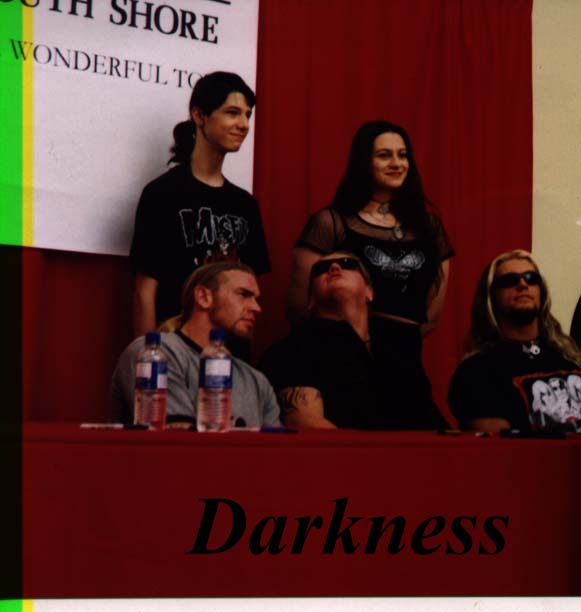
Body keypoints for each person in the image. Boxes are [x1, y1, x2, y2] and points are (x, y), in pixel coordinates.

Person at [130, 71, 270, 338]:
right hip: (175, 348)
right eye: (232, 112)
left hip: (230, 352)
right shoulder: (162, 194)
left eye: (248, 115)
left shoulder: (246, 205)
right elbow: (144, 292)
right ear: (199, 115)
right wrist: (148, 356)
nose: (244, 124)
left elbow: (252, 292)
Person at [260, 252, 448, 430]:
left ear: (369, 292)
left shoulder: (399, 348)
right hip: (344, 452)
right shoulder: (291, 349)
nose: (334, 267)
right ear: (311, 300)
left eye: (348, 264)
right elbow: (307, 424)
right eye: (321, 268)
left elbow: (430, 419)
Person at [112, 262, 280, 429]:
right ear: (203, 297)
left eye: (257, 299)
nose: (257, 308)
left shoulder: (257, 381)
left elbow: (276, 445)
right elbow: (175, 437)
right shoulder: (154, 355)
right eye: (243, 294)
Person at [448, 250, 581, 433]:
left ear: (541, 292)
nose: (523, 284)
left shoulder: (569, 357)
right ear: (491, 297)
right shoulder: (476, 372)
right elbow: (499, 446)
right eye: (509, 281)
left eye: (531, 278)